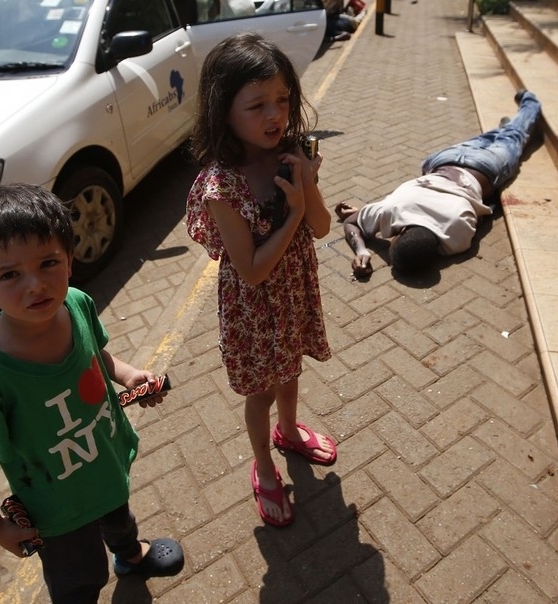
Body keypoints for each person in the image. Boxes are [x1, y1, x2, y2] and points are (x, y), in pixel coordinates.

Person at [0, 183, 184, 604]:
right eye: (9, 275)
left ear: (70, 260)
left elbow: (99, 354)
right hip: (55, 507)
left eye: (48, 262)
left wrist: (129, 376)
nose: (35, 285)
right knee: (79, 579)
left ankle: (130, 554)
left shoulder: (76, 304)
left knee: (119, 515)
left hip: (103, 463)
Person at [186, 32, 337, 528]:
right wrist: (293, 211)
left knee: (290, 370)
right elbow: (250, 270)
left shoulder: (290, 155)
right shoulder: (220, 185)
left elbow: (321, 226)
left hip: (293, 291)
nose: (274, 115)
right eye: (256, 105)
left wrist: (307, 186)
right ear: (223, 111)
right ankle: (265, 468)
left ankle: (289, 431)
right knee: (262, 391)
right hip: (254, 310)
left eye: (282, 100)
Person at [337, 89, 542, 277]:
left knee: (515, 138)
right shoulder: (391, 210)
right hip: (441, 160)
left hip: (483, 169)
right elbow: (352, 222)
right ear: (403, 232)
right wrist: (362, 246)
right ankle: (506, 125)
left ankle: (529, 103)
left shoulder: (456, 234)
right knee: (494, 139)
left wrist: (362, 241)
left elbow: (483, 213)